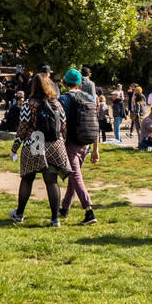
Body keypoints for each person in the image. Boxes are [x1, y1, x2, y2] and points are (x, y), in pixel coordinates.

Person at [8, 73, 71, 226]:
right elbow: (63, 127)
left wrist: (14, 149)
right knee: (51, 180)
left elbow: (22, 128)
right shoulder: (57, 104)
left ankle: (19, 213)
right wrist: (62, 144)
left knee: (28, 177)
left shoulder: (29, 104)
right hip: (55, 143)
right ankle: (55, 219)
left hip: (36, 141)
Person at [56, 68, 99, 225]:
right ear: (80, 83)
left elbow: (60, 123)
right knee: (75, 177)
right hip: (86, 142)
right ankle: (65, 208)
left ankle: (89, 211)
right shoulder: (89, 97)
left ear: (65, 83)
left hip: (71, 142)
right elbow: (95, 123)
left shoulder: (64, 99)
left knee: (75, 176)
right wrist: (96, 148)